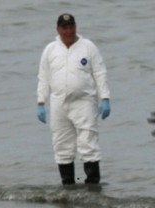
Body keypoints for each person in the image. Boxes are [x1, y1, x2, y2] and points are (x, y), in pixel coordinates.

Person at [36, 13, 111, 185]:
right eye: (65, 28)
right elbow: (43, 77)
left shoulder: (88, 47)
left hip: (84, 102)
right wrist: (41, 102)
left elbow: (100, 73)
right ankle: (68, 187)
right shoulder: (50, 50)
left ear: (76, 27)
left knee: (88, 145)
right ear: (58, 29)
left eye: (71, 27)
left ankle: (92, 187)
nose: (68, 31)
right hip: (58, 103)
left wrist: (105, 98)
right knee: (62, 146)